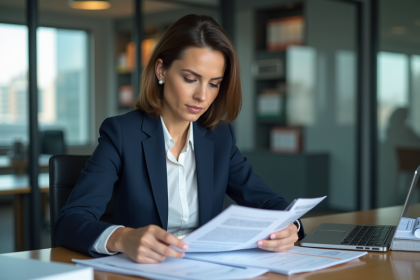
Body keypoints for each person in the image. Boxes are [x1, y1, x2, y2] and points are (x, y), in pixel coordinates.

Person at [54, 14, 305, 264]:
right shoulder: (121, 134)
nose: (202, 96)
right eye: (190, 79)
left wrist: (290, 226)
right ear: (161, 70)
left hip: (208, 269)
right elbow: (70, 220)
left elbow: (268, 201)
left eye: (214, 84)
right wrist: (122, 238)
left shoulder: (220, 138)